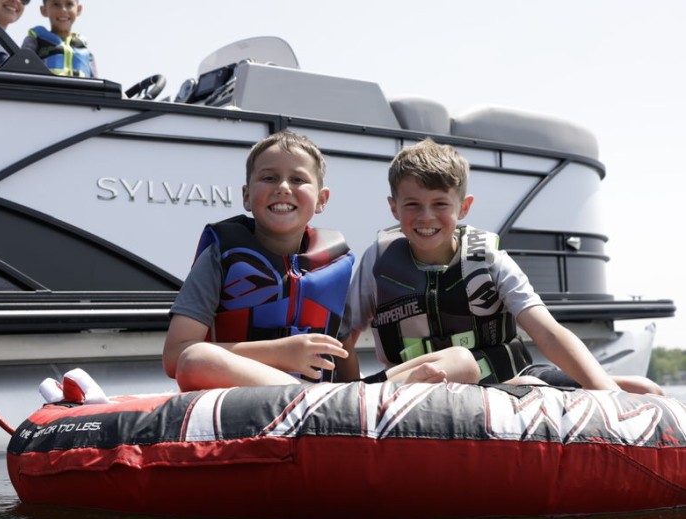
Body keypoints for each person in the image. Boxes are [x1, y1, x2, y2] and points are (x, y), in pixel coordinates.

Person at [340, 137, 663, 394]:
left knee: (643, 389)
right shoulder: (377, 262)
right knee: (463, 362)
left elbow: (548, 333)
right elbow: (343, 340)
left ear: (463, 208)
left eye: (440, 204)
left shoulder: (489, 260)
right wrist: (349, 399)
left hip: (506, 380)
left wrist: (608, 394)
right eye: (413, 205)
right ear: (394, 208)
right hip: (423, 387)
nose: (426, 217)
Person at [162, 130, 357, 392]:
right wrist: (278, 353)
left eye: (298, 179)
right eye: (269, 178)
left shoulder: (335, 264)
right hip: (239, 400)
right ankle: (306, 396)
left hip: (315, 406)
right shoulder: (221, 256)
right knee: (196, 359)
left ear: (321, 200)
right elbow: (175, 357)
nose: (283, 187)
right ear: (246, 196)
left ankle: (310, 399)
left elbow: (346, 364)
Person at [21, 0, 97, 78]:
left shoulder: (85, 51)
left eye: (69, 4)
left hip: (79, 89)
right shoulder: (36, 41)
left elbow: (96, 82)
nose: (63, 9)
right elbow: (20, 68)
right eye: (56, 4)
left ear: (78, 9)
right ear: (44, 10)